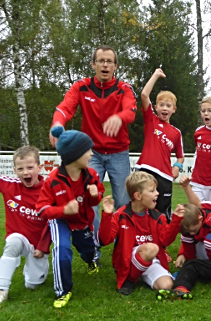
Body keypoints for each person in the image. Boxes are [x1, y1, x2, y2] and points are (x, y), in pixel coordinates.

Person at [49, 45, 137, 262]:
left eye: (109, 61)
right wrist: (57, 124)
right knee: (90, 200)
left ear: (116, 66)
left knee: (123, 201)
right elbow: (65, 108)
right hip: (91, 154)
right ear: (93, 64)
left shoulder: (124, 88)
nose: (105, 65)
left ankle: (123, 248)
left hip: (119, 153)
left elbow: (131, 109)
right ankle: (94, 251)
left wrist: (120, 117)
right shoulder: (82, 86)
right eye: (101, 61)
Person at [37, 127, 105, 308]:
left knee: (88, 250)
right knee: (61, 249)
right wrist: (63, 211)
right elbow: (42, 209)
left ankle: (91, 261)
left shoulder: (92, 175)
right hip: (60, 221)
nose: (91, 153)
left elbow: (95, 200)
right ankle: (63, 291)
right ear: (74, 155)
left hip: (82, 222)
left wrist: (94, 195)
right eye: (88, 150)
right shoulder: (51, 180)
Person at [99, 171, 183, 297]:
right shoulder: (121, 215)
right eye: (152, 190)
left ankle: (139, 273)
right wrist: (107, 215)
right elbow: (105, 240)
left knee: (167, 285)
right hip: (127, 261)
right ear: (137, 196)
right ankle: (129, 280)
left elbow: (165, 241)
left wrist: (176, 220)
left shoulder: (158, 216)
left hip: (150, 258)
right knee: (151, 248)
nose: (157, 193)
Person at [0, 146, 50, 304]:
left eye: (30, 167)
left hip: (38, 246)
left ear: (39, 167)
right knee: (13, 243)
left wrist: (43, 247)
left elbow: (54, 223)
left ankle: (34, 273)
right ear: (14, 170)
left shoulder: (49, 190)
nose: (25, 173)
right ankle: (2, 289)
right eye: (20, 169)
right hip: (18, 236)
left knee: (33, 285)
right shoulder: (9, 184)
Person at [135, 68, 184, 222]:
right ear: (155, 108)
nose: (164, 108)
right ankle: (139, 239)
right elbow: (144, 95)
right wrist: (156, 75)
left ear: (173, 110)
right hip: (145, 170)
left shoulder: (176, 133)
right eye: (161, 105)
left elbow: (181, 157)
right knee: (140, 208)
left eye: (168, 106)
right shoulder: (151, 120)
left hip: (165, 177)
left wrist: (176, 167)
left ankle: (160, 242)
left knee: (161, 214)